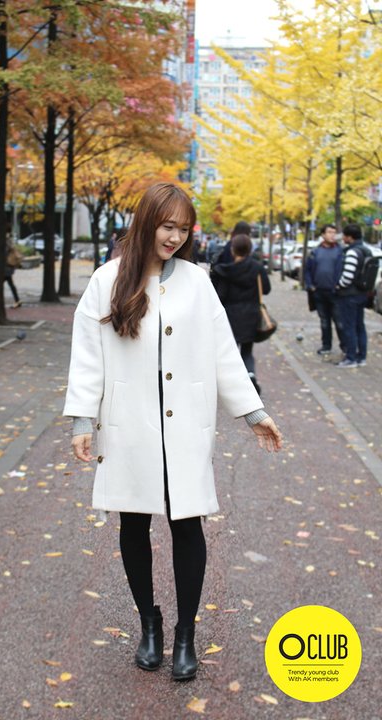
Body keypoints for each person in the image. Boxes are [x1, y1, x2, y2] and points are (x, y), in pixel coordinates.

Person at [63, 183, 282, 681]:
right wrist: (81, 419)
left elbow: (223, 350)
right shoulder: (107, 280)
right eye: (167, 226)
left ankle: (185, 634)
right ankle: (150, 624)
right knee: (133, 523)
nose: (175, 237)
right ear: (147, 222)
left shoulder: (197, 282)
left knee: (187, 524)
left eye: (183, 229)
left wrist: (252, 412)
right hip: (128, 425)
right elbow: (88, 353)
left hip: (184, 424)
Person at [210, 233, 270, 395]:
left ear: (233, 250)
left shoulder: (225, 271)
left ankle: (232, 384)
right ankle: (250, 375)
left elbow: (220, 296)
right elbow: (266, 289)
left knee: (230, 352)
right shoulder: (257, 268)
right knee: (247, 351)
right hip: (252, 314)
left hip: (231, 316)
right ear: (249, 250)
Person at [304, 224, 345, 356]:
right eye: (329, 232)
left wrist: (339, 285)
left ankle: (345, 347)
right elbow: (307, 270)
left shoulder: (340, 251)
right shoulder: (315, 252)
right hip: (319, 292)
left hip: (335, 293)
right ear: (322, 235)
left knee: (339, 322)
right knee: (324, 322)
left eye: (334, 232)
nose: (332, 235)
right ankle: (326, 345)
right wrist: (310, 286)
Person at [336, 223, 368, 367]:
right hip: (362, 293)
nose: (343, 238)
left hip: (349, 295)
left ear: (349, 237)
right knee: (360, 326)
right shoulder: (366, 250)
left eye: (344, 236)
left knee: (349, 326)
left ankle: (350, 358)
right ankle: (362, 357)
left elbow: (348, 276)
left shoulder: (352, 252)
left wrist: (338, 285)